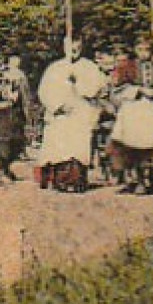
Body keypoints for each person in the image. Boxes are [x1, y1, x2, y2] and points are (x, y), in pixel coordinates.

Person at [34, 39, 107, 191]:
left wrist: (78, 83)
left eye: (77, 48)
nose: (73, 51)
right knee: (60, 147)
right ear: (64, 47)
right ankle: (60, 180)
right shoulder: (55, 68)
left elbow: (96, 89)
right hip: (60, 115)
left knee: (78, 147)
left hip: (80, 113)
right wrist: (57, 106)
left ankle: (77, 180)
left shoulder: (89, 67)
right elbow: (44, 91)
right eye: (70, 48)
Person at [105, 39, 153, 193]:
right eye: (140, 49)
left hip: (152, 109)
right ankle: (139, 180)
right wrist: (135, 91)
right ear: (135, 50)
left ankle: (152, 177)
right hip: (134, 108)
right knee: (134, 144)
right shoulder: (128, 66)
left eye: (147, 50)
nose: (144, 53)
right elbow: (116, 88)